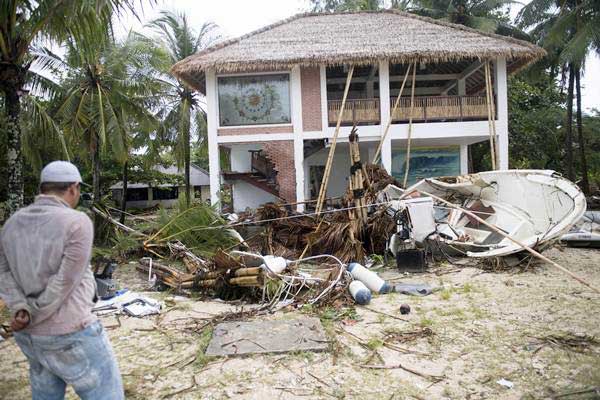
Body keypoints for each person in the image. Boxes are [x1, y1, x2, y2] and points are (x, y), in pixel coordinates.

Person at [0, 161, 124, 400]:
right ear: (74, 188)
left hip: (29, 335)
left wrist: (21, 309)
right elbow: (64, 282)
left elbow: (3, 273)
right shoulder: (76, 223)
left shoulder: (12, 223)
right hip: (72, 333)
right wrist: (32, 311)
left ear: (42, 188)